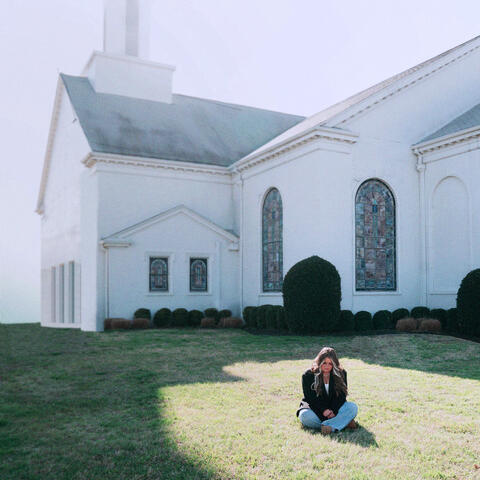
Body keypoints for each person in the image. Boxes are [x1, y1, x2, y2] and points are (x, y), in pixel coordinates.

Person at [296, 346, 358, 434]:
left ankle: (329, 427)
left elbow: (342, 396)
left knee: (352, 407)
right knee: (304, 416)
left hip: (335, 409)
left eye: (330, 363)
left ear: (335, 364)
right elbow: (310, 398)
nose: (327, 366)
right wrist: (324, 410)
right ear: (319, 362)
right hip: (316, 409)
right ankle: (343, 423)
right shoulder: (308, 375)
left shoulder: (342, 374)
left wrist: (333, 411)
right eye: (324, 363)